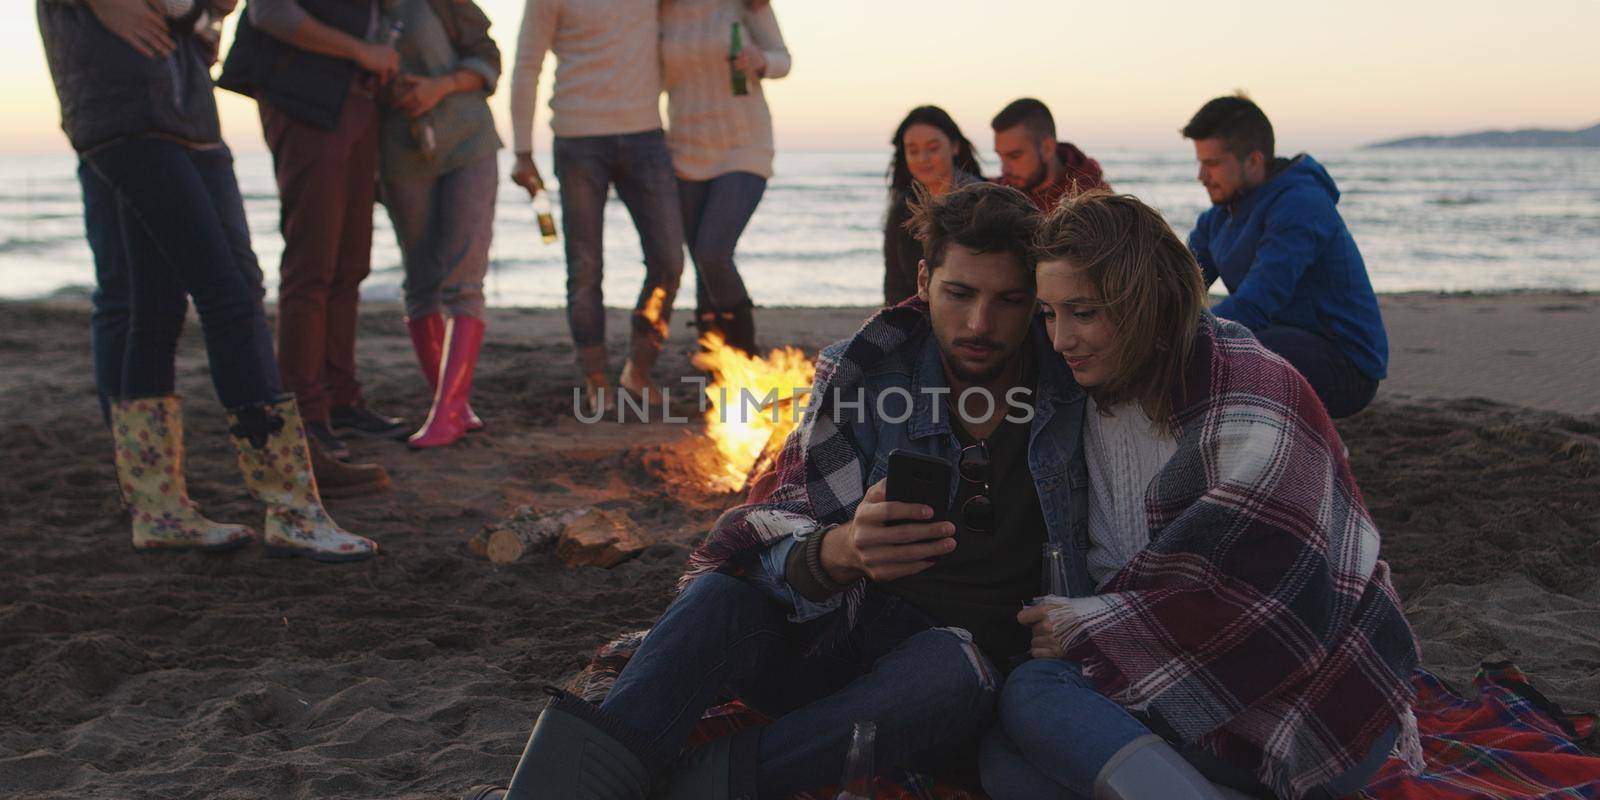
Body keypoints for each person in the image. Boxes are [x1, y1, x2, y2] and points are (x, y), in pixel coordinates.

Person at [464, 183, 1098, 799]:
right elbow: (775, 531)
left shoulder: (1080, 385)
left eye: (1010, 301)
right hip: (846, 637)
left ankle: (690, 787)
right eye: (959, 293)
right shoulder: (864, 372)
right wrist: (839, 551)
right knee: (718, 598)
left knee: (948, 667)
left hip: (960, 682)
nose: (980, 323)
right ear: (924, 279)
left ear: (1038, 301)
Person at [980, 193, 1419, 800]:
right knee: (1004, 758)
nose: (1060, 340)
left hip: (1315, 708)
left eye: (1082, 312)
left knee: (1034, 697)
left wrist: (1090, 626)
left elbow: (1277, 607)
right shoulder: (1085, 387)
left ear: (1145, 305)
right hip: (1176, 675)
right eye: (1050, 314)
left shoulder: (1249, 394)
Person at [39, 0, 384, 562]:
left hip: (186, 112)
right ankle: (291, 507)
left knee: (167, 304)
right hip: (124, 107)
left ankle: (159, 510)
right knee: (226, 297)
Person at [218, 0, 411, 459]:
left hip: (358, 102)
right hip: (306, 99)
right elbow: (271, 12)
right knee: (313, 263)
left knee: (350, 262)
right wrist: (361, 52)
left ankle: (341, 400)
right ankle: (305, 410)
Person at [510, 0, 686, 411]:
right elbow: (526, 65)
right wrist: (522, 150)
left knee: (669, 262)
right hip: (578, 139)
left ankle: (637, 369)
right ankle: (595, 381)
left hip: (646, 136)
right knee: (585, 267)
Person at [1182, 94, 1388, 418]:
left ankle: (1321, 450)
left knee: (1215, 356)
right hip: (1279, 340)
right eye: (1199, 163)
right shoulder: (1218, 218)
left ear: (1253, 161)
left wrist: (1181, 344)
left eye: (1212, 164)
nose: (1201, 176)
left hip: (1345, 363)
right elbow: (1179, 284)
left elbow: (1256, 302)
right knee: (1198, 351)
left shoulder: (1300, 204)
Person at [376, 0, 501, 448]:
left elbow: (488, 59)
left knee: (464, 278)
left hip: (468, 140)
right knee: (421, 278)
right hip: (399, 151)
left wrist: (438, 87)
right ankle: (452, 404)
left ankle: (447, 413)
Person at [661, 0, 790, 357]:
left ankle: (744, 353)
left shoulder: (744, 5)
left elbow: (783, 59)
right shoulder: (657, 11)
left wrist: (761, 61)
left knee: (713, 251)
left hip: (744, 146)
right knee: (703, 266)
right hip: (685, 151)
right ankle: (717, 370)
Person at [883, 105, 985, 305]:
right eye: (913, 151)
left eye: (933, 148)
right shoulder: (903, 207)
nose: (923, 159)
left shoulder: (981, 200)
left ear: (954, 146)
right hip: (915, 318)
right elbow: (894, 283)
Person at [991, 97, 1110, 212]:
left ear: (1047, 148)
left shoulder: (1096, 205)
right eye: (1001, 157)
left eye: (1014, 156)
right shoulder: (995, 196)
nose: (1005, 169)